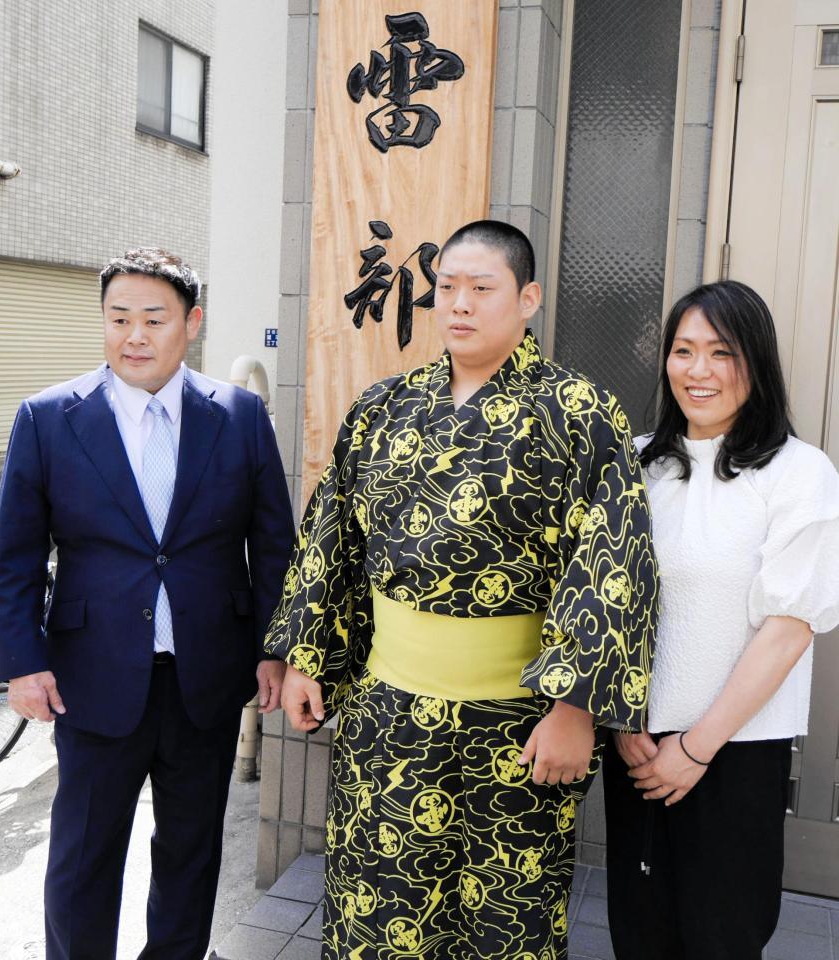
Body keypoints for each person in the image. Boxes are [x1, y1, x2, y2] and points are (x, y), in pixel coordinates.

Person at [266, 220, 658, 959]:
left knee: (504, 923)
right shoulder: (384, 408)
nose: (460, 305)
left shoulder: (580, 414)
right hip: (388, 714)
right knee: (376, 910)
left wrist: (577, 708)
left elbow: (614, 565)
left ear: (528, 298)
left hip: (517, 725)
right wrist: (306, 657)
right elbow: (331, 541)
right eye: (447, 287)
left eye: (483, 288)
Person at [0, 248, 295, 960]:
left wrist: (275, 649)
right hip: (91, 677)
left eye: (153, 319)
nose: (134, 335)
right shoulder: (49, 417)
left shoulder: (240, 415)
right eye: (119, 318)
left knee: (190, 851)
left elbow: (273, 547)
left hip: (206, 677)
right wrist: (23, 664)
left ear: (190, 322)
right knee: (83, 854)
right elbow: (15, 560)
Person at [603, 280, 839, 960]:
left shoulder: (798, 473)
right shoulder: (639, 461)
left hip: (735, 752)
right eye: (683, 351)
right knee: (640, 934)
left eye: (720, 352)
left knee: (722, 938)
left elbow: (789, 627)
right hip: (639, 747)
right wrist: (622, 723)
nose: (697, 371)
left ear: (755, 363)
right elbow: (605, 603)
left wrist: (698, 746)